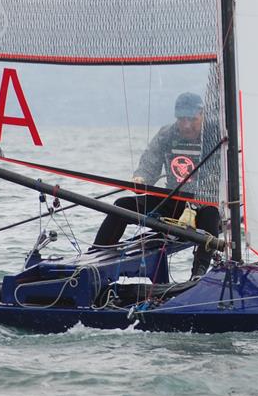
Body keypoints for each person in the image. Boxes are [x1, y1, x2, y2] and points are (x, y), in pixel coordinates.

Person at [92, 92, 220, 279]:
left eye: (192, 119)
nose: (186, 125)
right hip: (173, 202)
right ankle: (95, 257)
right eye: (181, 119)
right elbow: (149, 164)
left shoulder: (215, 136)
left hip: (203, 206)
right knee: (122, 206)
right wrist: (141, 178)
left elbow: (219, 175)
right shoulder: (167, 134)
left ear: (202, 114)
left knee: (212, 215)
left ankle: (198, 274)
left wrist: (196, 205)